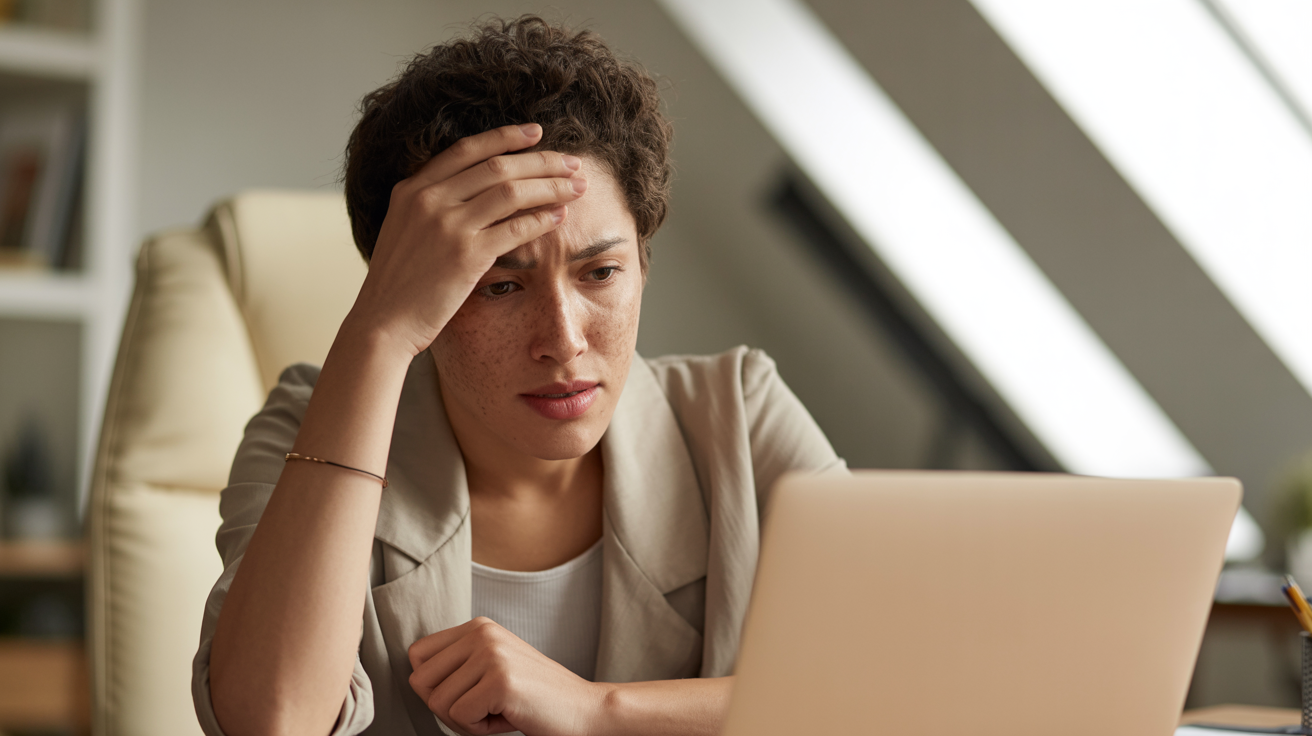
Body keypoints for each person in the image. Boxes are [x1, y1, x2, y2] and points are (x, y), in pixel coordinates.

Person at [192, 15, 843, 736]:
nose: (563, 342)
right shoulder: (305, 419)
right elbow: (271, 720)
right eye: (499, 286)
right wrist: (378, 333)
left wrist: (600, 711)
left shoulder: (739, 416)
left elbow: (907, 686)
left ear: (644, 263)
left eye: (601, 272)